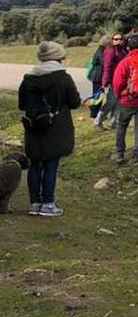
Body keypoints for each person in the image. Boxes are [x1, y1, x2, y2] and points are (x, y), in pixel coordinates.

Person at [19, 41, 81, 217]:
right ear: (58, 57)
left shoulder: (29, 78)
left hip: (34, 126)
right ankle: (48, 203)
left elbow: (22, 104)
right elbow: (75, 102)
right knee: (51, 164)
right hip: (56, 127)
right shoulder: (63, 78)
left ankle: (34, 203)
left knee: (35, 164)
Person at [111, 34, 138, 164]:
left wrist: (119, 94)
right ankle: (136, 157)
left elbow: (117, 83)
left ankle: (119, 154)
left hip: (128, 100)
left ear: (128, 47)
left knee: (122, 126)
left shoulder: (125, 62)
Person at [95, 32, 127, 130]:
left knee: (119, 102)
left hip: (121, 80)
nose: (118, 41)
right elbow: (107, 67)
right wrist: (105, 82)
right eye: (116, 39)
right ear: (112, 40)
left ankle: (113, 122)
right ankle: (98, 121)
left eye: (120, 39)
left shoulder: (123, 50)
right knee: (110, 102)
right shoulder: (110, 51)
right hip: (112, 81)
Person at [86, 42, 105, 120]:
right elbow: (103, 62)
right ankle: (94, 114)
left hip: (98, 76)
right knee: (97, 96)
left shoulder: (100, 51)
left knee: (99, 95)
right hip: (97, 77)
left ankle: (96, 113)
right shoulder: (100, 52)